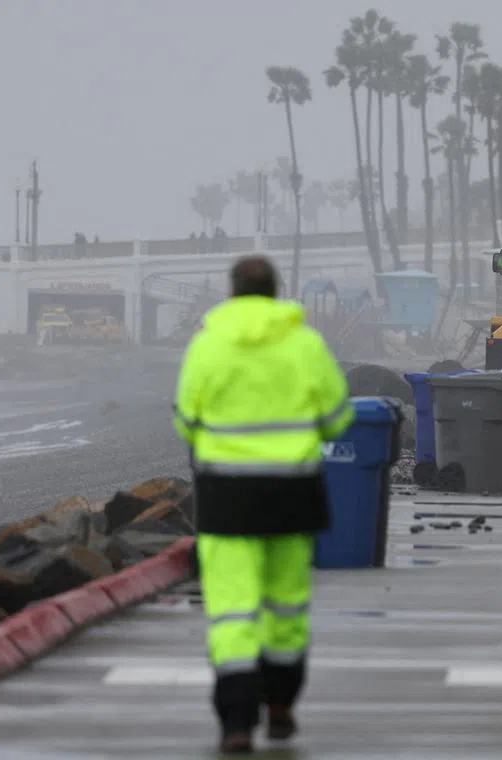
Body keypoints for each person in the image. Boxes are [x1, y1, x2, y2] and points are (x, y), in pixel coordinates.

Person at [172, 255, 354, 754]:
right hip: (293, 494)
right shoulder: (305, 344)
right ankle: (280, 706)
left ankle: (236, 722)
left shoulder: (208, 345)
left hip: (225, 497)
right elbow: (337, 418)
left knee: (233, 609)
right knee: (285, 604)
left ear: (231, 292)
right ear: (276, 292)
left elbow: (186, 419)